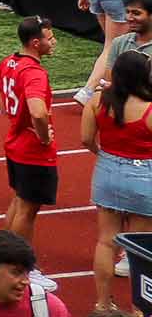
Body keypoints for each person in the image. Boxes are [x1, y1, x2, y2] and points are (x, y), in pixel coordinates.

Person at [0, 18, 60, 294]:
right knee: (28, 210)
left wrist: (12, 115)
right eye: (50, 38)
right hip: (33, 151)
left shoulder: (11, 62)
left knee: (19, 202)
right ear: (35, 42)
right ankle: (19, 265)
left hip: (15, 145)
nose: (53, 43)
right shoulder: (35, 73)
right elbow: (39, 111)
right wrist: (43, 135)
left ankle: (3, 256)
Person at [83, 47, 152, 317]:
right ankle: (138, 308)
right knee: (140, 249)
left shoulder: (97, 101)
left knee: (106, 242)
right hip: (144, 177)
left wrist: (106, 157)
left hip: (107, 172)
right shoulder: (148, 108)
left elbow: (86, 139)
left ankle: (102, 304)